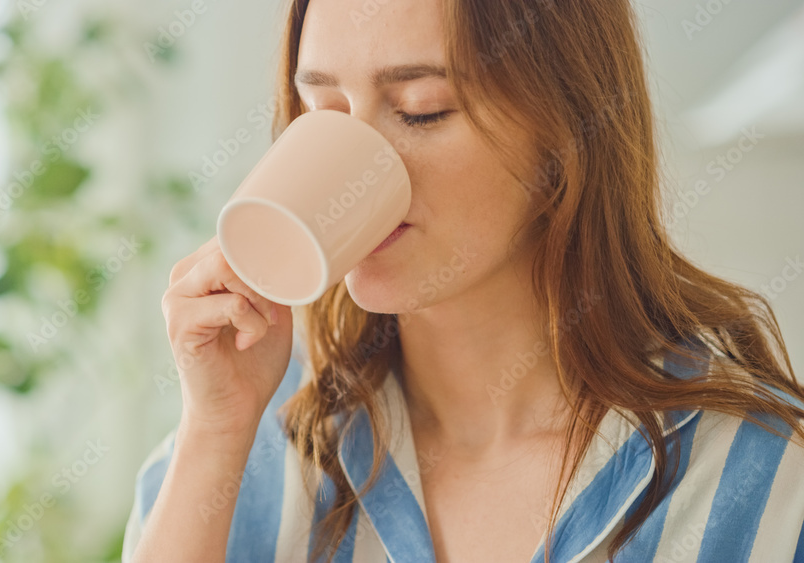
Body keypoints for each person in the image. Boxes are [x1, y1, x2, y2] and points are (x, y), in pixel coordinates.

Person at [122, 0, 804, 561]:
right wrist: (214, 435)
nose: (355, 168)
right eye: (322, 110)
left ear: (564, 129)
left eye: (421, 109)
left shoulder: (763, 483)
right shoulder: (241, 463)